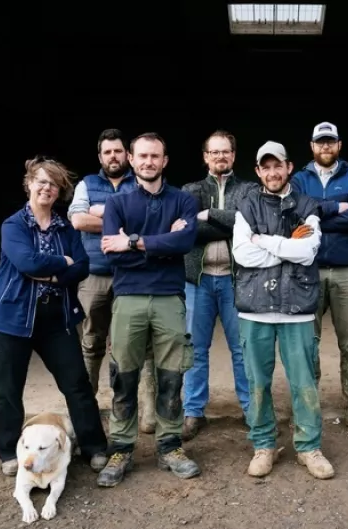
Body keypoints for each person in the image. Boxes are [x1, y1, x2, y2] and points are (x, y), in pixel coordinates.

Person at [0, 156, 108, 477]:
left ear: (59, 191)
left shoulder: (65, 227)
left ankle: (94, 447)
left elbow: (81, 267)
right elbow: (28, 263)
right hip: (10, 319)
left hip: (55, 318)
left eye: (53, 184)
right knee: (9, 391)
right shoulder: (13, 225)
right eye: (41, 181)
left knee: (77, 384)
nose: (46, 188)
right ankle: (9, 451)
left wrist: (54, 272)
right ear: (29, 184)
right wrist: (60, 263)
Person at [96, 132, 201, 486]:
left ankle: (169, 445)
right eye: (142, 156)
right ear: (130, 158)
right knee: (123, 374)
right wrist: (160, 245)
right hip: (129, 298)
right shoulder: (118, 204)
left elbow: (184, 242)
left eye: (155, 156)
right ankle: (121, 448)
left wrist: (134, 241)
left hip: (170, 297)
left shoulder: (183, 201)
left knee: (172, 374)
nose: (148, 162)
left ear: (164, 160)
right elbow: (113, 253)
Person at [232, 141, 334, 480]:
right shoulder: (246, 206)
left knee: (303, 381)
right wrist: (286, 246)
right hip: (255, 309)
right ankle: (263, 445)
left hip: (298, 308)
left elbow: (308, 251)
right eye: (266, 166)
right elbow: (243, 255)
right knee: (257, 382)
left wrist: (265, 240)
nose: (273, 172)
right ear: (259, 171)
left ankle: (309, 447)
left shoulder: (306, 204)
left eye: (279, 165)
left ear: (289, 167)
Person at [292, 122, 348, 439]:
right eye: (320, 142)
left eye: (330, 142)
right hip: (308, 269)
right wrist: (332, 208)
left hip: (347, 270)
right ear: (312, 146)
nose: (325, 147)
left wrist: (316, 219)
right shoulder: (299, 178)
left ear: (339, 146)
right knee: (306, 344)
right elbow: (294, 214)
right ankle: (308, 410)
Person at [68, 128, 157, 434]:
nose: (114, 156)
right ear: (100, 157)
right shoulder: (87, 184)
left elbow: (149, 220)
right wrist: (123, 221)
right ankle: (87, 409)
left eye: (119, 151)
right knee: (91, 343)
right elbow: (77, 219)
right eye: (108, 152)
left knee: (139, 344)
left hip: (133, 275)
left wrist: (105, 217)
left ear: (128, 156)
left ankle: (146, 411)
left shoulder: (141, 183)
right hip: (94, 275)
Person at [180, 130, 258, 440]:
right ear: (205, 157)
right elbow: (187, 230)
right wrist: (228, 226)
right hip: (197, 281)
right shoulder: (191, 189)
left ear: (234, 155)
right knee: (195, 349)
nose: (220, 157)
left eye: (225, 151)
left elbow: (250, 222)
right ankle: (193, 411)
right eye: (214, 152)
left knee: (242, 349)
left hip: (235, 280)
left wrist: (210, 214)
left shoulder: (249, 189)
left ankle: (250, 408)